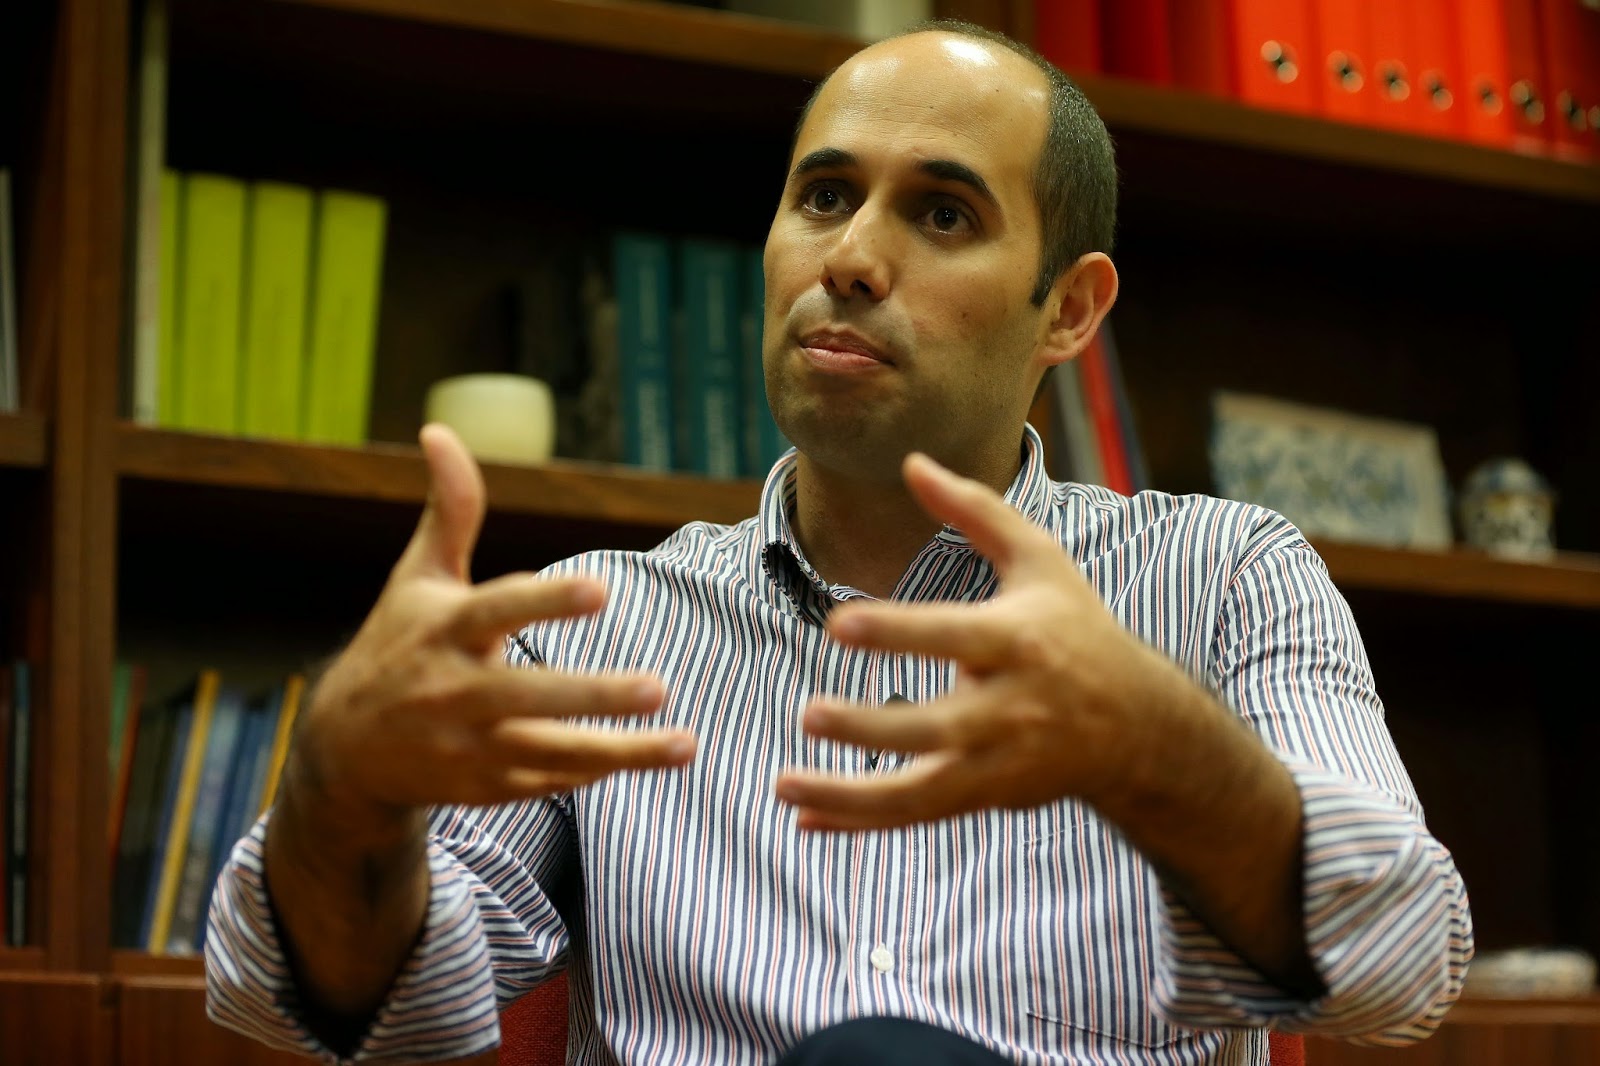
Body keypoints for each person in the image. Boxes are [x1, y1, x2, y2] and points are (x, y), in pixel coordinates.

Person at [205, 18, 1472, 1066]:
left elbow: (1402, 967)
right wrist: (336, 799)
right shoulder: (592, 624)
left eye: (943, 214)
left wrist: (1163, 755)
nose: (852, 258)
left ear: (1069, 310)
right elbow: (335, 1010)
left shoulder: (1226, 578)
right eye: (823, 196)